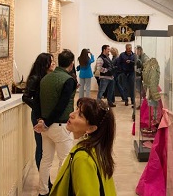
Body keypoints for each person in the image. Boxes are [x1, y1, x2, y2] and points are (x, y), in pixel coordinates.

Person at [50, 97, 117, 195]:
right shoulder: (97, 148)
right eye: (77, 109)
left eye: (80, 115)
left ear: (91, 128)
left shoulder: (83, 158)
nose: (71, 114)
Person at [35, 49, 78, 196]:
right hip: (60, 126)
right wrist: (47, 122)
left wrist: (42, 121)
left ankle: (42, 191)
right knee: (65, 160)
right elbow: (61, 105)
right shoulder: (68, 80)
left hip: (46, 127)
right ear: (72, 64)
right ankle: (62, 191)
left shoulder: (45, 78)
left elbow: (39, 101)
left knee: (46, 159)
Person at [21, 53, 55, 170]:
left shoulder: (48, 77)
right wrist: (37, 107)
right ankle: (43, 178)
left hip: (46, 115)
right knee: (40, 146)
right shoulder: (35, 78)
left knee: (47, 147)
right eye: (51, 61)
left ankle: (45, 177)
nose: (53, 63)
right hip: (37, 116)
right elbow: (25, 97)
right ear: (44, 64)